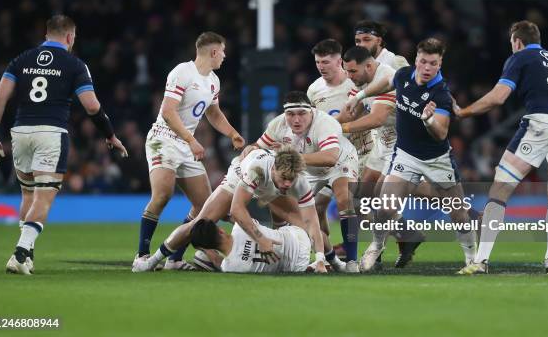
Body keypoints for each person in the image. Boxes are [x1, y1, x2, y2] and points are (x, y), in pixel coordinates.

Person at [0, 14, 128, 275]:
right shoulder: (75, 64)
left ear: (46, 35)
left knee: (28, 194)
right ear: (70, 37)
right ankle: (20, 253)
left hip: (20, 131)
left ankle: (27, 255)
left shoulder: (21, 59)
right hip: (51, 133)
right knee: (44, 196)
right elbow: (92, 105)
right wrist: (109, 134)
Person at [455, 20, 548, 274]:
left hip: (540, 123)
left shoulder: (520, 58)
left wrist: (465, 112)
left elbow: (498, 97)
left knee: (500, 187)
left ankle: (481, 260)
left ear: (517, 41)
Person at [347, 38, 478, 272]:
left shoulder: (441, 94)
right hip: (406, 155)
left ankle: (472, 258)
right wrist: (359, 96)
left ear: (440, 65)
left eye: (434, 64)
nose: (427, 68)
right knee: (385, 207)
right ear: (416, 59)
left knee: (457, 212)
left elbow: (441, 133)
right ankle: (376, 246)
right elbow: (388, 82)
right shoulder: (404, 74)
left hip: (437, 160)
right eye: (424, 62)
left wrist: (428, 120)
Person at [134, 31, 245, 271]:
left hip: (186, 144)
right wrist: (191, 140)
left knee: (204, 206)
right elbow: (167, 111)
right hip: (163, 139)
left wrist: (232, 133)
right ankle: (142, 255)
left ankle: (174, 259)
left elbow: (213, 113)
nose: (224, 56)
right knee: (162, 195)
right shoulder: (182, 72)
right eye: (223, 51)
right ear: (214, 52)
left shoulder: (213, 81)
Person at [133, 146, 328, 273]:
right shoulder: (257, 169)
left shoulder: (297, 181)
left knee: (302, 223)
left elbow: (312, 221)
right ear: (275, 168)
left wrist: (318, 257)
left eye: (291, 179)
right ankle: (150, 262)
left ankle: (328, 261)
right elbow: (237, 209)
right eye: (284, 178)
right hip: (238, 181)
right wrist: (261, 240)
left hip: (268, 189)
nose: (288, 183)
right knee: (200, 223)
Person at [250, 91, 360, 271]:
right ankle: (325, 258)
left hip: (340, 163)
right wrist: (250, 149)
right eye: (290, 114)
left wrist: (290, 155)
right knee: (289, 208)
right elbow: (258, 146)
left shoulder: (325, 123)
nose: (296, 120)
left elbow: (330, 157)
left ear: (312, 111)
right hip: (307, 168)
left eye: (302, 113)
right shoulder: (277, 124)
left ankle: (352, 262)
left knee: (344, 199)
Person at [306, 39, 372, 266]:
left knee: (349, 201)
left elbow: (369, 115)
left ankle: (355, 258)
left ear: (339, 60)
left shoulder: (356, 85)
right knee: (317, 206)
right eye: (317, 62)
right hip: (328, 155)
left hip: (360, 153)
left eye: (326, 62)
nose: (321, 66)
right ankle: (329, 257)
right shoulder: (314, 90)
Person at [189, 219, 312, 273]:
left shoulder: (229, 268)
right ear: (220, 230)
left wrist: (209, 253)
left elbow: (220, 262)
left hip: (297, 266)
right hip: (299, 236)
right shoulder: (240, 226)